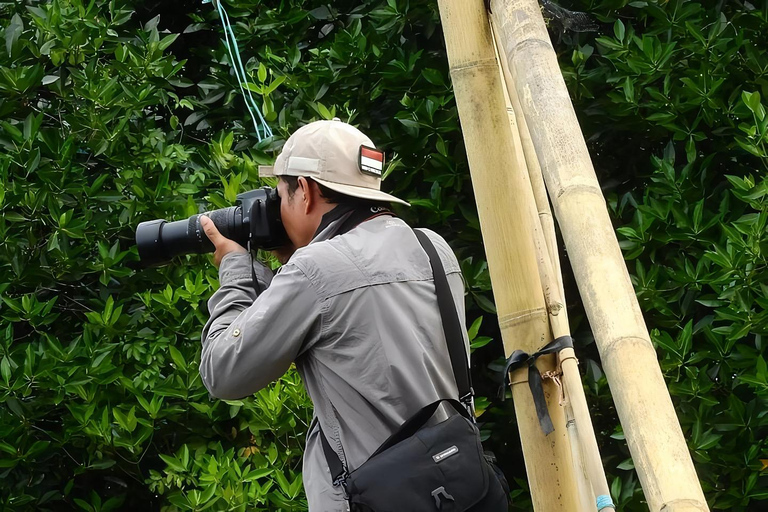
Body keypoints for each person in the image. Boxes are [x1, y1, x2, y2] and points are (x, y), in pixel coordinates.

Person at [199, 119, 471, 511]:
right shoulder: (433, 248)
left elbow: (222, 373)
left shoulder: (315, 271)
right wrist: (294, 265)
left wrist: (237, 272)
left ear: (305, 192)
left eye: (281, 196)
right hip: (452, 488)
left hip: (372, 500)